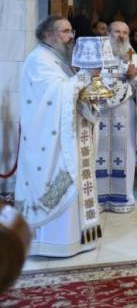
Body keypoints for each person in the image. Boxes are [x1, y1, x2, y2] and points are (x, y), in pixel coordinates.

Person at [16, 17, 101, 256]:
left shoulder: (59, 60)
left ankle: (73, 239)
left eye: (71, 31)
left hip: (69, 137)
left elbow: (72, 94)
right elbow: (57, 95)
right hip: (49, 142)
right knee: (59, 180)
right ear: (47, 35)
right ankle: (51, 242)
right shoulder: (39, 60)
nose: (71, 36)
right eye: (65, 31)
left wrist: (90, 90)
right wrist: (84, 77)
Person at [95, 22, 137, 213]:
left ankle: (122, 197)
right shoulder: (96, 53)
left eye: (125, 32)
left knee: (124, 151)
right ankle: (97, 198)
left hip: (124, 109)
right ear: (108, 33)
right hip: (99, 109)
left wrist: (134, 77)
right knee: (98, 151)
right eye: (117, 31)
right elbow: (85, 76)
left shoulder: (131, 55)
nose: (121, 36)